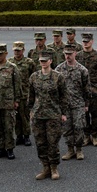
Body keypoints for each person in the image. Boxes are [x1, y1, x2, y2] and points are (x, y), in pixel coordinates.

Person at [28, 50, 69, 180]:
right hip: (38, 114)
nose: (43, 63)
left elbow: (64, 96)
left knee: (53, 142)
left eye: (46, 61)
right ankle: (45, 167)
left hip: (53, 114)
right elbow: (31, 96)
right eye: (41, 61)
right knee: (40, 143)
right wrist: (30, 111)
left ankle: (54, 168)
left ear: (50, 61)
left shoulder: (58, 77)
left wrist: (63, 113)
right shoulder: (34, 77)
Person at [0, 44, 21, 161]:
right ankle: (0, 148)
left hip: (7, 103)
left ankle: (10, 149)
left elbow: (17, 85)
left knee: (8, 127)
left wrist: (16, 100)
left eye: (0, 54)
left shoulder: (12, 67)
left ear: (6, 54)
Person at [56, 44, 90, 162]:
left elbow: (86, 89)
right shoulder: (59, 70)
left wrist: (86, 104)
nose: (67, 56)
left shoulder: (82, 70)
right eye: (66, 54)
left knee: (79, 126)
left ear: (75, 53)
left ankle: (79, 149)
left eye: (70, 54)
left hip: (78, 103)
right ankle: (70, 149)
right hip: (64, 105)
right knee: (67, 128)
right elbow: (56, 89)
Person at [75, 32, 97, 147]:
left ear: (92, 42)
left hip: (95, 90)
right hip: (82, 91)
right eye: (84, 41)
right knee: (84, 115)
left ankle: (94, 136)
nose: (85, 44)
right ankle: (86, 136)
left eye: (87, 41)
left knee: (95, 114)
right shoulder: (78, 56)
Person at [10, 42, 36, 147]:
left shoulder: (29, 62)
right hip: (14, 94)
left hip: (25, 93)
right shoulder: (10, 62)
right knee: (16, 117)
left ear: (23, 50)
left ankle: (26, 136)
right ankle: (19, 135)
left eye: (19, 50)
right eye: (15, 50)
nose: (17, 52)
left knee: (24, 116)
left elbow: (33, 77)